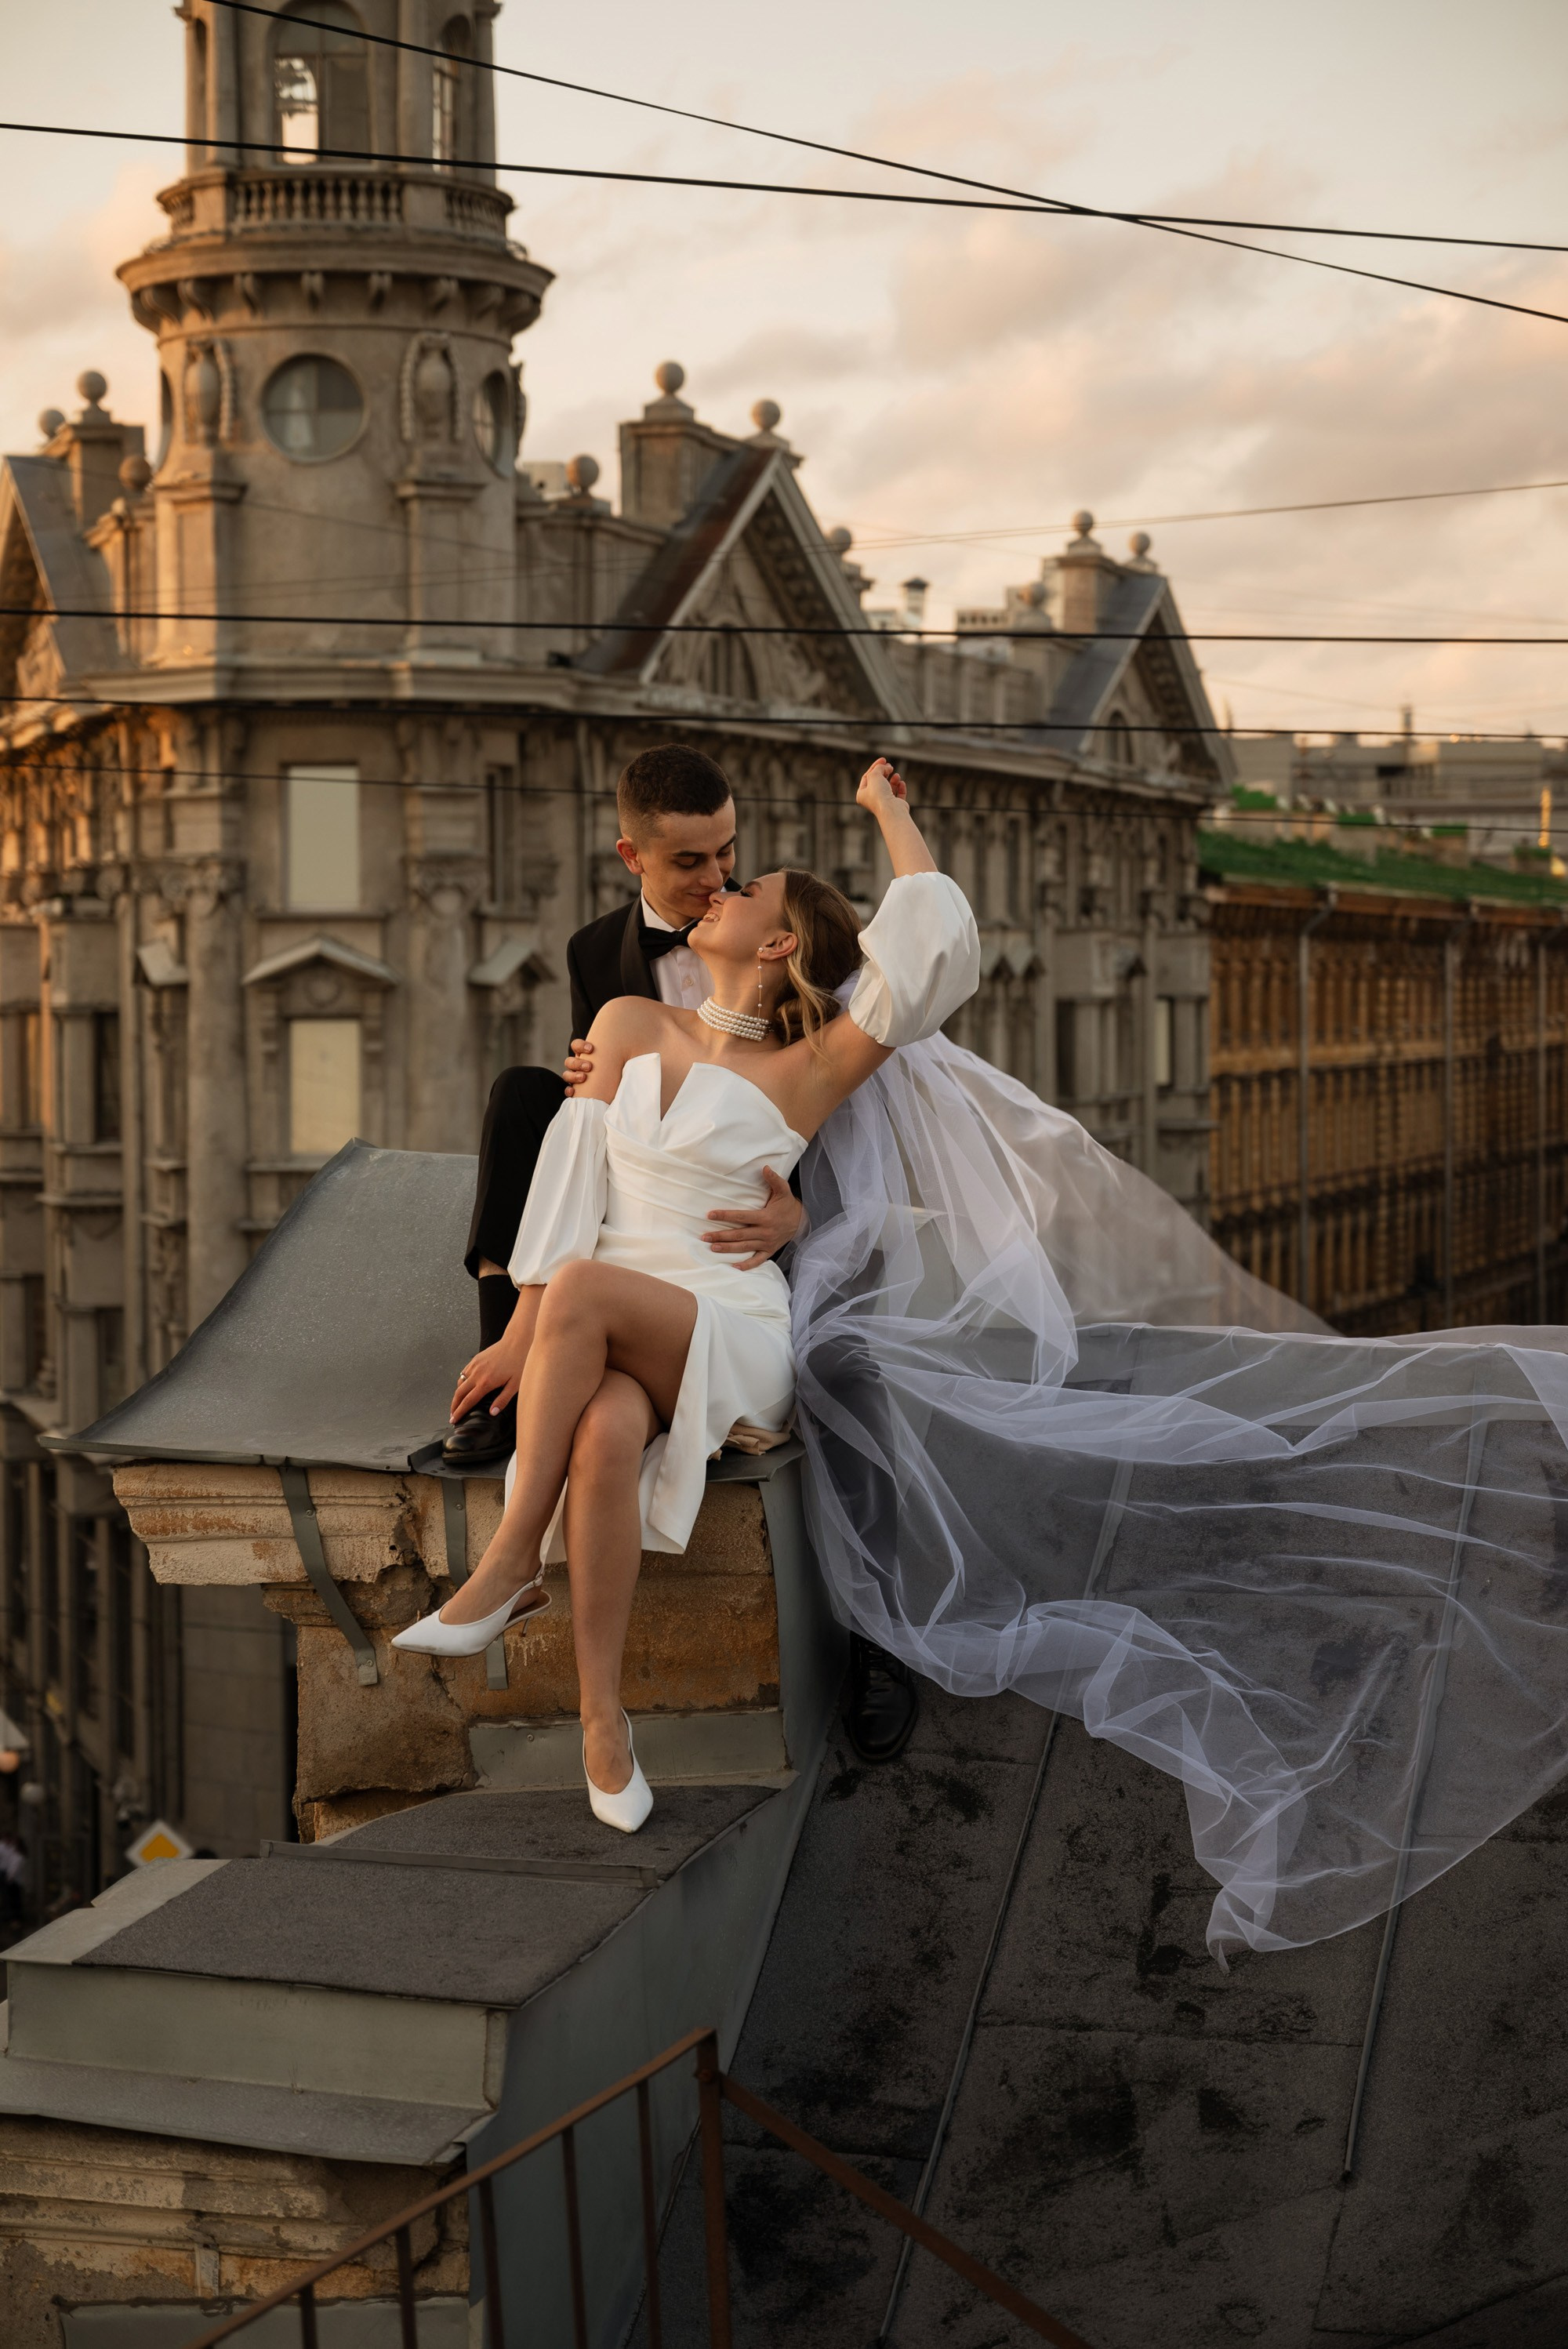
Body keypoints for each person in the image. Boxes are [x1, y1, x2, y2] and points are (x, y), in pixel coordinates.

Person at [396, 760, 974, 1821]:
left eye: (745, 885)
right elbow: (573, 1184)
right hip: (611, 1304)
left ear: (780, 944)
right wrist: (520, 1325)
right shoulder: (620, 1018)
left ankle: (515, 1554)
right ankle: (603, 1723)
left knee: (578, 1293)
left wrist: (887, 810)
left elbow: (932, 951)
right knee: (605, 1440)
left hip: (730, 1316)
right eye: (703, 871)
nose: (722, 886)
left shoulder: (812, 1066)